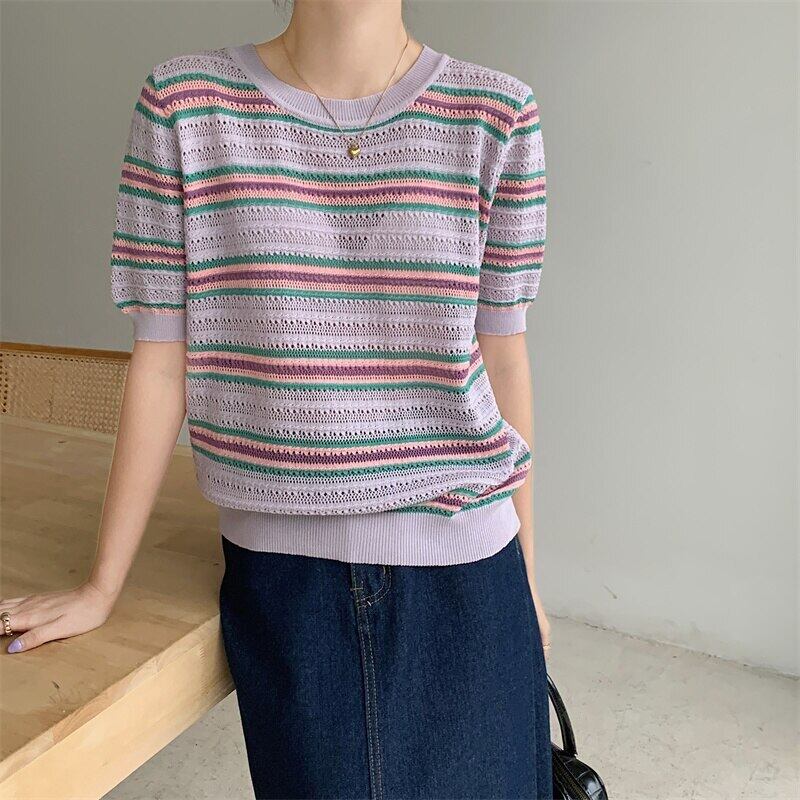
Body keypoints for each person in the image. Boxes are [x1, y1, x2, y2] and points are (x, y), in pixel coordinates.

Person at [0, 1, 552, 797]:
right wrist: (101, 586)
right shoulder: (184, 106)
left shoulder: (497, 114)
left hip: (470, 569)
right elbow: (161, 362)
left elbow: (504, 358)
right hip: (285, 579)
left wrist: (527, 583)